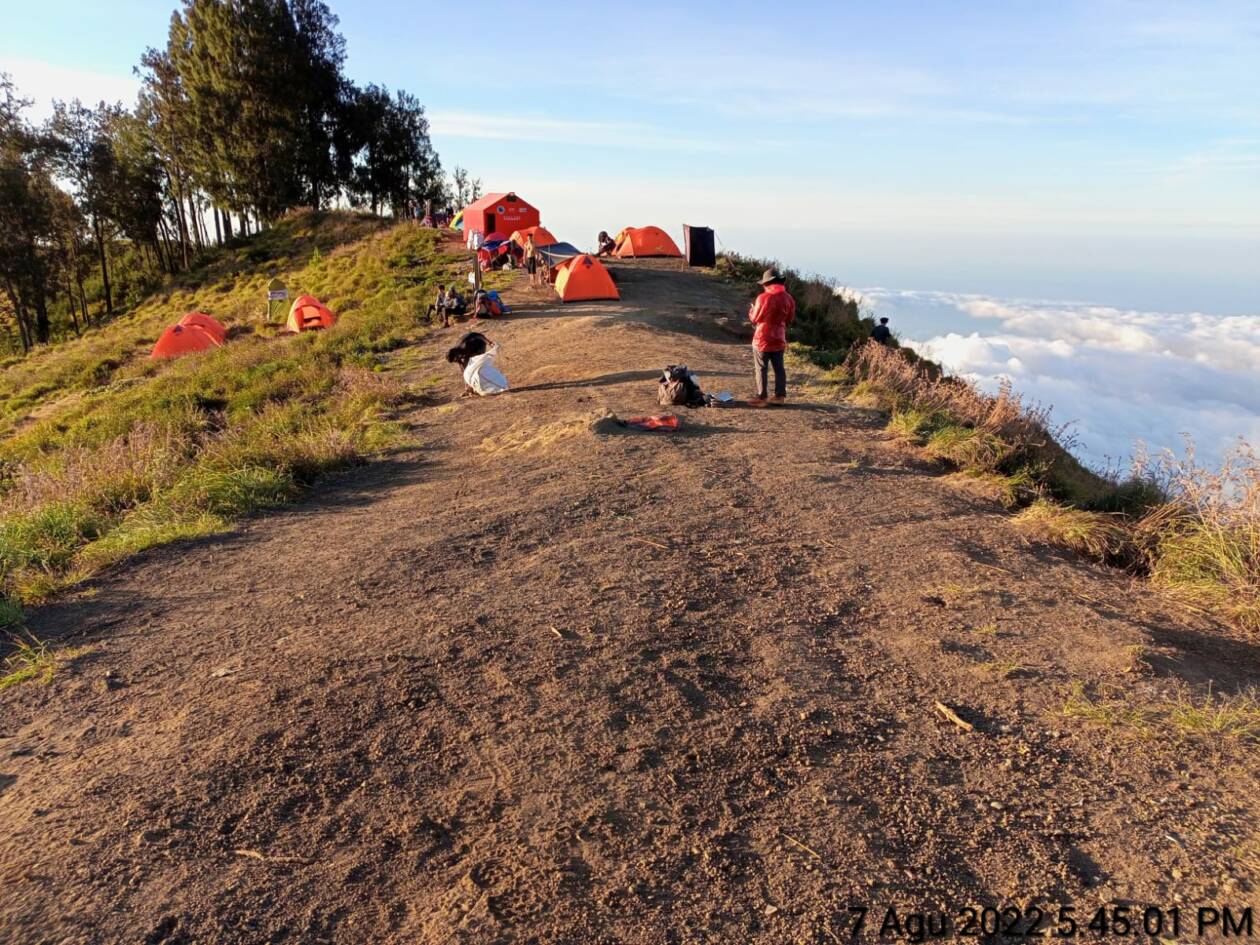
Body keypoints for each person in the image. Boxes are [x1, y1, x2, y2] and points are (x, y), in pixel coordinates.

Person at [747, 267, 796, 406]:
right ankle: (780, 396)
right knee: (779, 368)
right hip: (779, 337)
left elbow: (755, 318)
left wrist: (751, 311)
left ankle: (762, 397)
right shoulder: (788, 298)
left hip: (762, 339)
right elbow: (790, 318)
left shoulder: (762, 298)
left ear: (766, 284)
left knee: (761, 368)